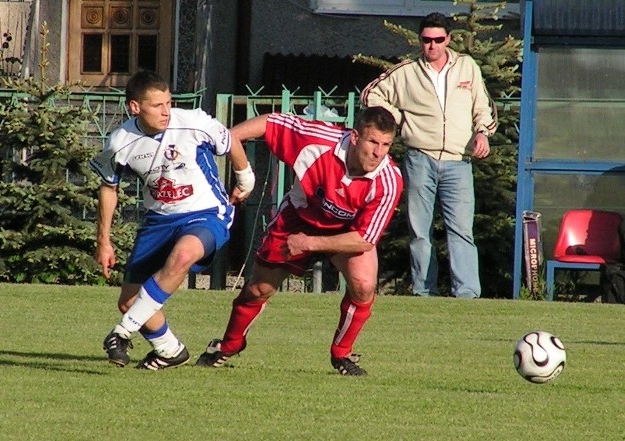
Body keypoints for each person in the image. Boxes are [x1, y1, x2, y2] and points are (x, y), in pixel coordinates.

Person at [194, 106, 403, 376]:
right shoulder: (318, 141)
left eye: (386, 145)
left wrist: (309, 244)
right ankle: (228, 345)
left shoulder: (389, 180)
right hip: (298, 218)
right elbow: (271, 123)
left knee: (364, 285)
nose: (378, 153)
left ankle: (342, 354)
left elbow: (364, 239)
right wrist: (225, 141)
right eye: (372, 142)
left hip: (346, 233)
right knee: (259, 289)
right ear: (354, 137)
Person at [90, 70, 255, 370]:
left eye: (168, 102)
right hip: (159, 220)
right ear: (135, 108)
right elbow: (108, 186)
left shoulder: (193, 122)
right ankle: (171, 350)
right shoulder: (120, 141)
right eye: (157, 106)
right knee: (129, 301)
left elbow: (230, 140)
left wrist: (245, 179)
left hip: (206, 213)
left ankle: (122, 332)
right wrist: (104, 240)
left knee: (183, 255)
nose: (166, 111)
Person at [361, 12, 498, 299]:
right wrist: (397, 117)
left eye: (438, 40)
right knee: (419, 231)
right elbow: (370, 95)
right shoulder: (406, 71)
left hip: (459, 161)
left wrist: (482, 132)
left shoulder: (467, 67)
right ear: (419, 40)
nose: (432, 46)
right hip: (419, 158)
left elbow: (482, 106)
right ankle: (424, 292)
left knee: (461, 230)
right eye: (426, 40)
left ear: (449, 39)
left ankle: (468, 294)